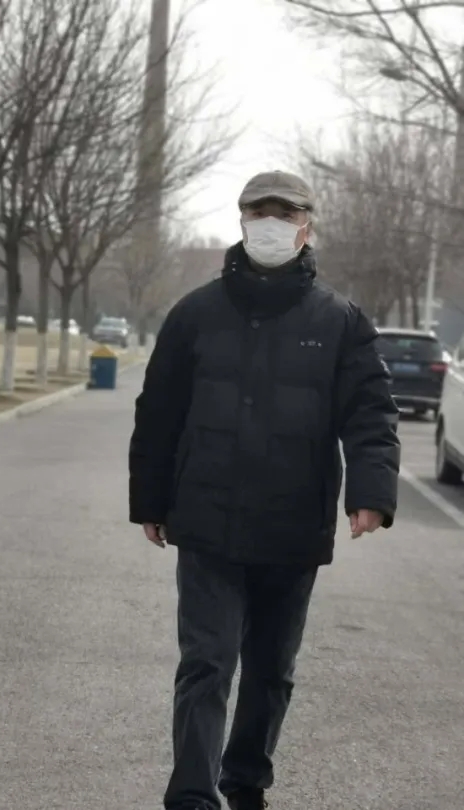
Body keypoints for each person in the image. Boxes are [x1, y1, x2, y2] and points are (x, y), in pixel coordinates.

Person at [128, 170, 400, 810]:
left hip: (292, 525)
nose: (271, 224)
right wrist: (150, 501)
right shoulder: (194, 314)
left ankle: (245, 780)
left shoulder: (340, 320)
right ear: (243, 220)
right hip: (208, 521)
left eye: (285, 214)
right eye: (259, 213)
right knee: (207, 663)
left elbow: (370, 412)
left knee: (272, 672)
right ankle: (192, 795)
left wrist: (372, 493)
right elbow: (159, 413)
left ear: (307, 227)